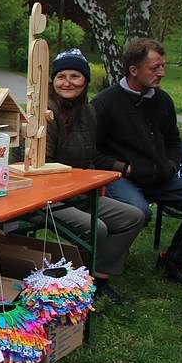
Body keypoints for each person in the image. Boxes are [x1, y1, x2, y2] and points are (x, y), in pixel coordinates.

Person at [92, 38, 182, 286]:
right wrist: (123, 168)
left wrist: (171, 164)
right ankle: (105, 266)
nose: (161, 73)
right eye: (155, 68)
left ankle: (174, 260)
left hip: (160, 177)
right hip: (122, 178)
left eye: (163, 66)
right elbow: (91, 151)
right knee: (138, 212)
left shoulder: (163, 100)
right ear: (134, 70)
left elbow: (173, 139)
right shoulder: (104, 103)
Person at [45, 49, 145, 304]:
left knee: (134, 216)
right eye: (61, 76)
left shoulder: (89, 112)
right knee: (97, 228)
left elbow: (89, 158)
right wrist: (79, 184)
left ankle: (98, 279)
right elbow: (43, 167)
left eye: (75, 76)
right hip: (48, 199)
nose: (67, 82)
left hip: (80, 194)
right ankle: (75, 286)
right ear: (53, 81)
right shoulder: (45, 113)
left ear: (86, 80)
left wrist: (95, 183)